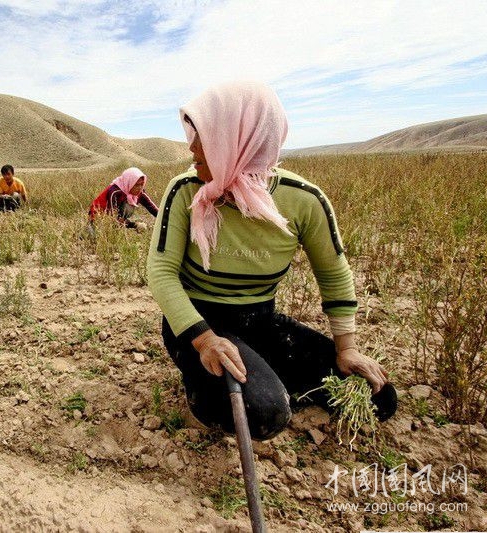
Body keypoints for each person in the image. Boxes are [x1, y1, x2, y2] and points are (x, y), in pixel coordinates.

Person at [147, 82, 397, 441]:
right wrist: (204, 341)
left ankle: (261, 372)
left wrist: (348, 348)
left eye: (201, 135)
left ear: (238, 139)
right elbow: (161, 271)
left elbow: (333, 272)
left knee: (377, 397)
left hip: (260, 321)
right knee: (265, 414)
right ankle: (213, 380)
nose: (190, 147)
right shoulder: (184, 188)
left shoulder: (304, 200)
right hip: (198, 325)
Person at [87, 167, 158, 235]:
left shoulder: (140, 192)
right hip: (99, 216)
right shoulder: (115, 191)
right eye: (136, 185)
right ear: (130, 182)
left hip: (114, 216)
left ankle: (118, 226)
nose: (140, 188)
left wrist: (165, 218)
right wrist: (135, 225)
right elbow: (113, 217)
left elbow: (152, 207)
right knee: (91, 237)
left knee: (127, 209)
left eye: (142, 184)